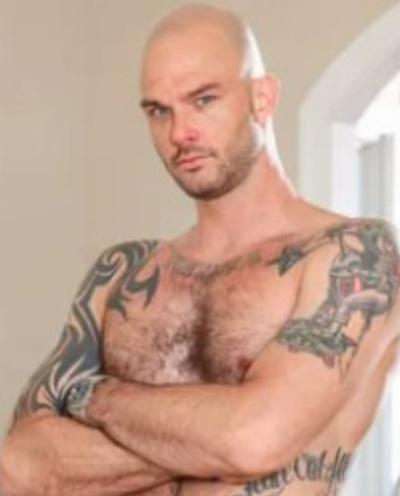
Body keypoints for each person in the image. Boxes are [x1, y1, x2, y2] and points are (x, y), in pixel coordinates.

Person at [1, 4, 400, 496]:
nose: (179, 134)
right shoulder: (122, 274)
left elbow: (252, 438)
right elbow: (18, 466)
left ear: (262, 98)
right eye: (159, 111)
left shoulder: (352, 255)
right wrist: (212, 437)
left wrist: (91, 396)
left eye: (203, 100)